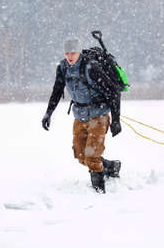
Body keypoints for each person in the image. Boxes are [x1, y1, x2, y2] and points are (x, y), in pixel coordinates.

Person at [42, 37, 122, 193]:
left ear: (79, 52)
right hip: (79, 115)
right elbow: (57, 91)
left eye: (73, 52)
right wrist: (48, 113)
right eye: (67, 53)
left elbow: (113, 93)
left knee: (91, 156)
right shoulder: (63, 67)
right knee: (80, 155)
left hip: (98, 116)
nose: (70, 56)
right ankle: (111, 167)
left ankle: (98, 193)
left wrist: (116, 120)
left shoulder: (91, 67)